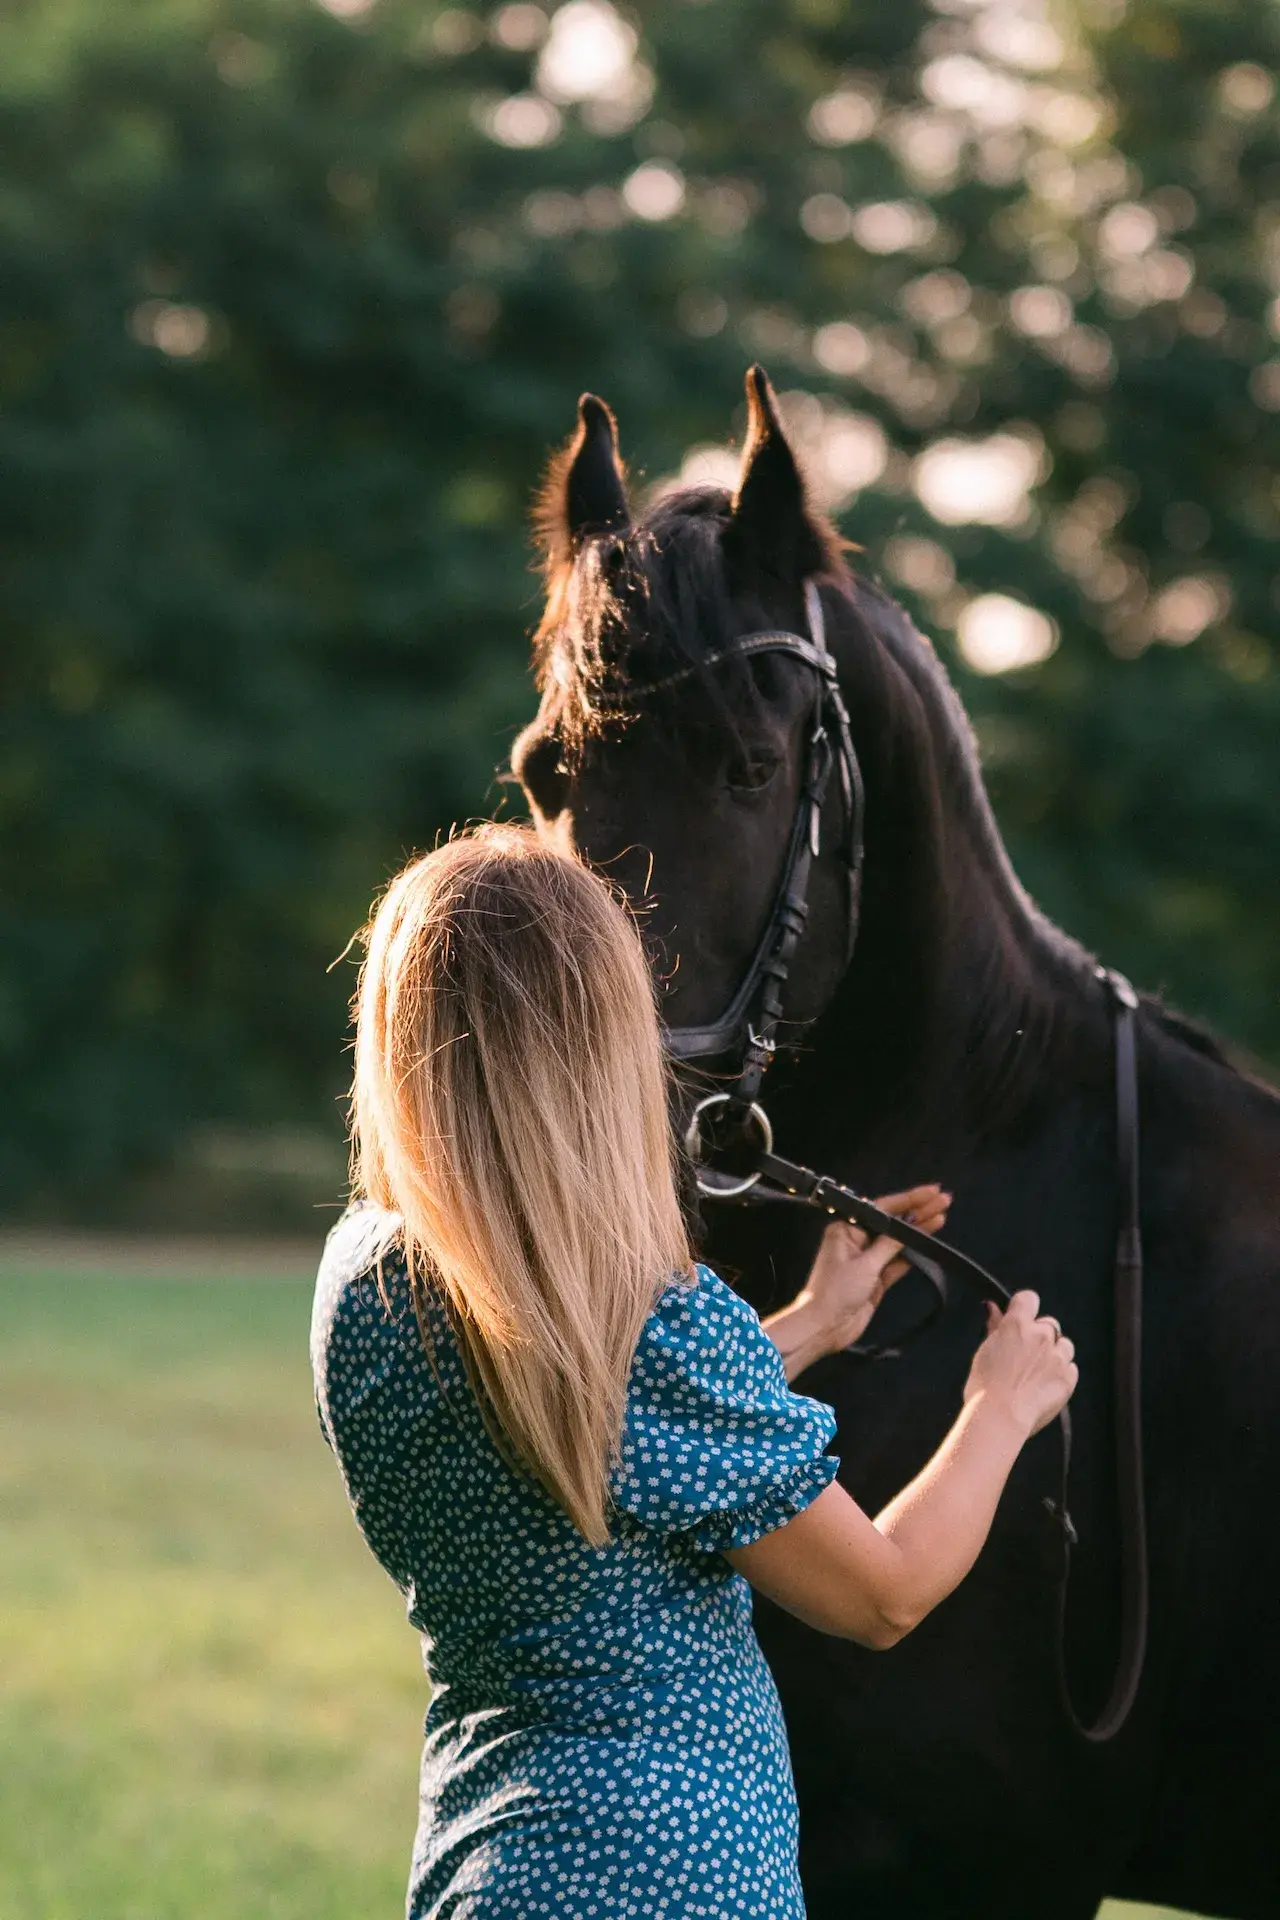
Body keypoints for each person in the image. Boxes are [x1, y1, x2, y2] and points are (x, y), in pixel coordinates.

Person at [311, 823, 1077, 1919]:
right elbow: (883, 1593)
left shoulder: (364, 1278)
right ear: (598, 1045)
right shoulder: (652, 1325)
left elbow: (581, 1420)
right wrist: (1001, 1405)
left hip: (487, 1865)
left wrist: (807, 1326)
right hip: (674, 1875)